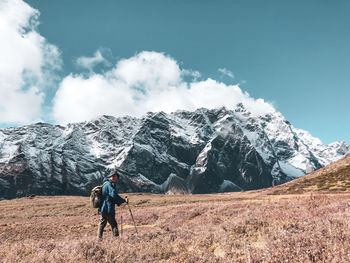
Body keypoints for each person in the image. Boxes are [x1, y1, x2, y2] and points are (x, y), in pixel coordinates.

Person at [97, 169, 127, 239]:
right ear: (110, 176)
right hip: (108, 208)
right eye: (113, 176)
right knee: (114, 225)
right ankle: (116, 239)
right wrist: (123, 200)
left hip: (102, 208)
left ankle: (99, 239)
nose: (115, 177)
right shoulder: (109, 184)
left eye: (116, 176)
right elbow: (113, 195)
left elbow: (110, 196)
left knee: (102, 224)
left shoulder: (105, 184)